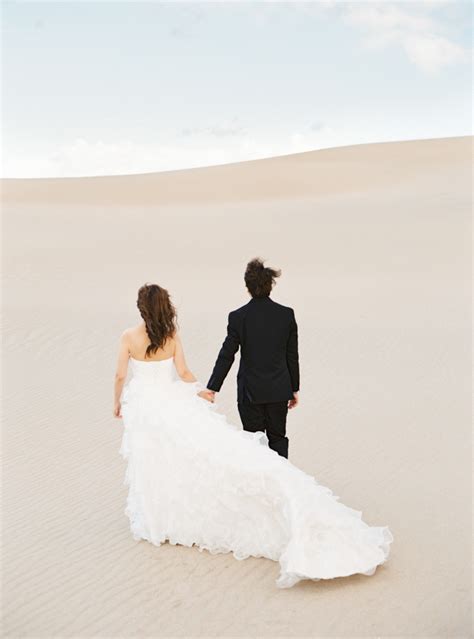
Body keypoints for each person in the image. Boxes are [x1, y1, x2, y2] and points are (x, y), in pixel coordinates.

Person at [113, 281, 393, 588]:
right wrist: (198, 393)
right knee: (253, 444)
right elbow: (183, 373)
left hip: (147, 408)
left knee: (158, 460)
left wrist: (118, 402)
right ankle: (278, 480)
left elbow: (121, 375)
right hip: (195, 401)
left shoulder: (129, 336)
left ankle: (161, 519)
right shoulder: (172, 335)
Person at [200, 258, 299, 459]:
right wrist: (294, 388)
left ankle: (260, 487)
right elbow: (292, 355)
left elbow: (227, 354)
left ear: (248, 287)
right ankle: (280, 485)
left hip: (250, 393)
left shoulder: (238, 317)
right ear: (270, 285)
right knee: (278, 438)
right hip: (279, 390)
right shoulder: (286, 315)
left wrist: (212, 387)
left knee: (254, 443)